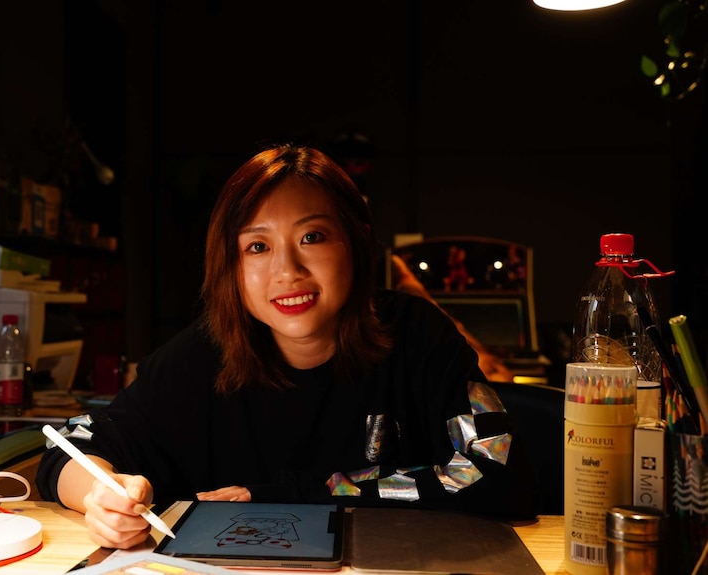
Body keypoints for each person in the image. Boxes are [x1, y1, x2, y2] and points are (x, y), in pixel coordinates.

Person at [35, 142, 540, 550]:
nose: (287, 271)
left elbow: (497, 467)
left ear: (357, 241)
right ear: (230, 267)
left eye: (313, 237)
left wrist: (314, 491)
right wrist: (101, 494)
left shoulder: (417, 337)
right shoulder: (201, 356)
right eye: (257, 246)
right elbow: (68, 450)